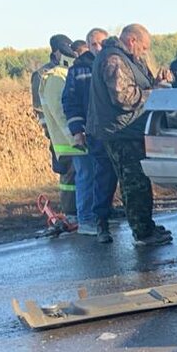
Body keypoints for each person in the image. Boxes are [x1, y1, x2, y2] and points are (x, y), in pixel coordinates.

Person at [89, 24, 172, 246]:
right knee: (135, 183)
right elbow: (124, 98)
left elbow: (136, 87)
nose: (144, 53)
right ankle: (143, 233)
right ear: (132, 40)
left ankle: (145, 225)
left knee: (136, 181)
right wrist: (155, 94)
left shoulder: (126, 59)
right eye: (143, 48)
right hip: (121, 132)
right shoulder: (114, 60)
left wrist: (156, 83)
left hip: (127, 129)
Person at [63, 28, 118, 243]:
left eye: (101, 43)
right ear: (87, 46)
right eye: (93, 44)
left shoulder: (115, 62)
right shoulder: (79, 70)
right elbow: (70, 101)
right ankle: (98, 220)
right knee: (100, 176)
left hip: (118, 130)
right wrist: (78, 130)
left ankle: (131, 220)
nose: (98, 48)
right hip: (96, 132)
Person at [37, 35, 82, 217]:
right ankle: (70, 210)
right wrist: (50, 132)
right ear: (56, 51)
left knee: (77, 174)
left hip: (67, 133)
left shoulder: (65, 70)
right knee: (67, 175)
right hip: (58, 135)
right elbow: (42, 108)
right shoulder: (46, 74)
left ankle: (78, 209)